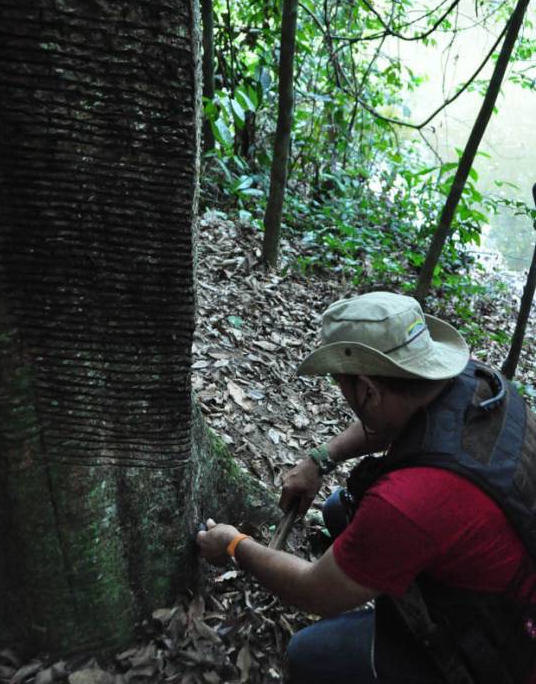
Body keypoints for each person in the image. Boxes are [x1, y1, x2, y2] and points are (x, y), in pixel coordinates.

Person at [197, 292, 536, 683]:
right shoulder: (471, 381)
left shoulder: (408, 501)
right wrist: (320, 459)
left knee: (310, 655)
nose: (345, 397)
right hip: (498, 569)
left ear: (369, 390)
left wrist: (235, 545)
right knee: (340, 508)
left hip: (500, 647)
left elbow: (316, 592)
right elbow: (392, 420)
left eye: (345, 388)